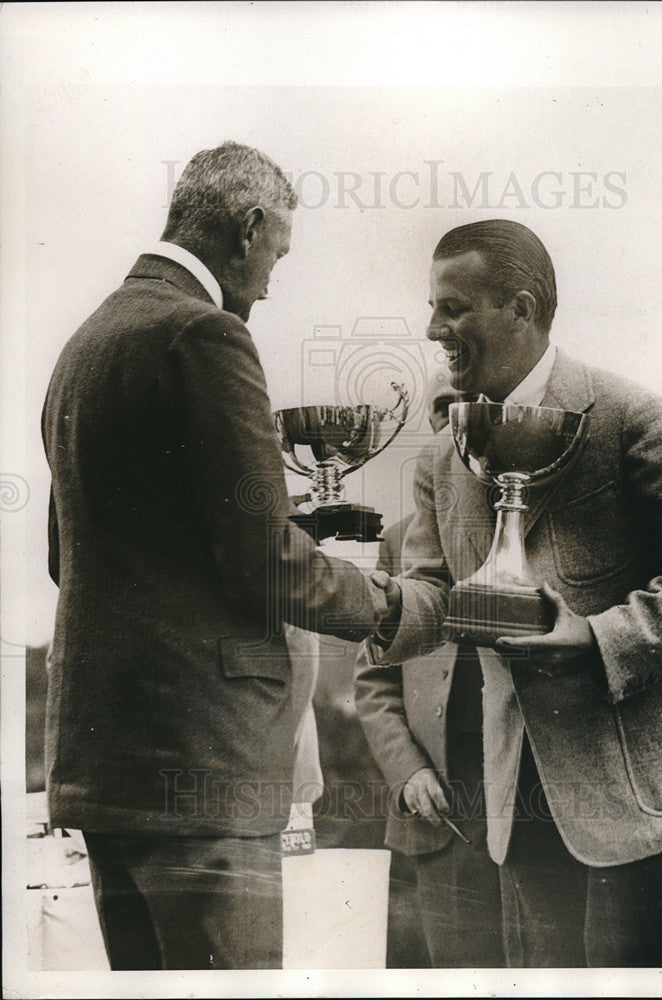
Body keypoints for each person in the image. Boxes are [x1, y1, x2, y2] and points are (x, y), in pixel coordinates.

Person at [41, 142, 388, 970]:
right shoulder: (207, 336)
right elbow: (266, 566)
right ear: (248, 226)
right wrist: (392, 604)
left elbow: (72, 556)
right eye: (277, 254)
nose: (271, 279)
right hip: (207, 770)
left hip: (111, 771)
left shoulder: (87, 343)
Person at [365, 219, 662, 967]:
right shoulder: (443, 457)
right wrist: (363, 606)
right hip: (520, 811)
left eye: (453, 306)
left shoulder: (632, 417)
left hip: (654, 811)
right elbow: (434, 592)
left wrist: (598, 639)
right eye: (433, 307)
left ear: (523, 306)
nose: (433, 327)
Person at [355, 380, 505, 968]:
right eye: (445, 408)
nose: (457, 420)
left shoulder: (532, 522)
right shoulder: (399, 540)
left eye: (472, 406)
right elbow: (374, 677)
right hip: (438, 801)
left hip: (526, 788)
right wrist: (407, 768)